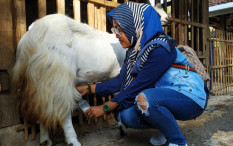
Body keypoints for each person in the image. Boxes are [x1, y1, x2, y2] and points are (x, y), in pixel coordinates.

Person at [76, 2, 209, 146]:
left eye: (120, 30)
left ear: (135, 25)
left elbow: (137, 86)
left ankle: (177, 141)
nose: (117, 36)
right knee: (124, 115)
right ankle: (166, 128)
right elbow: (121, 80)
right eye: (115, 30)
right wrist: (88, 89)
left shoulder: (160, 48)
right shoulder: (135, 51)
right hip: (167, 95)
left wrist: (104, 107)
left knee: (145, 99)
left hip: (192, 98)